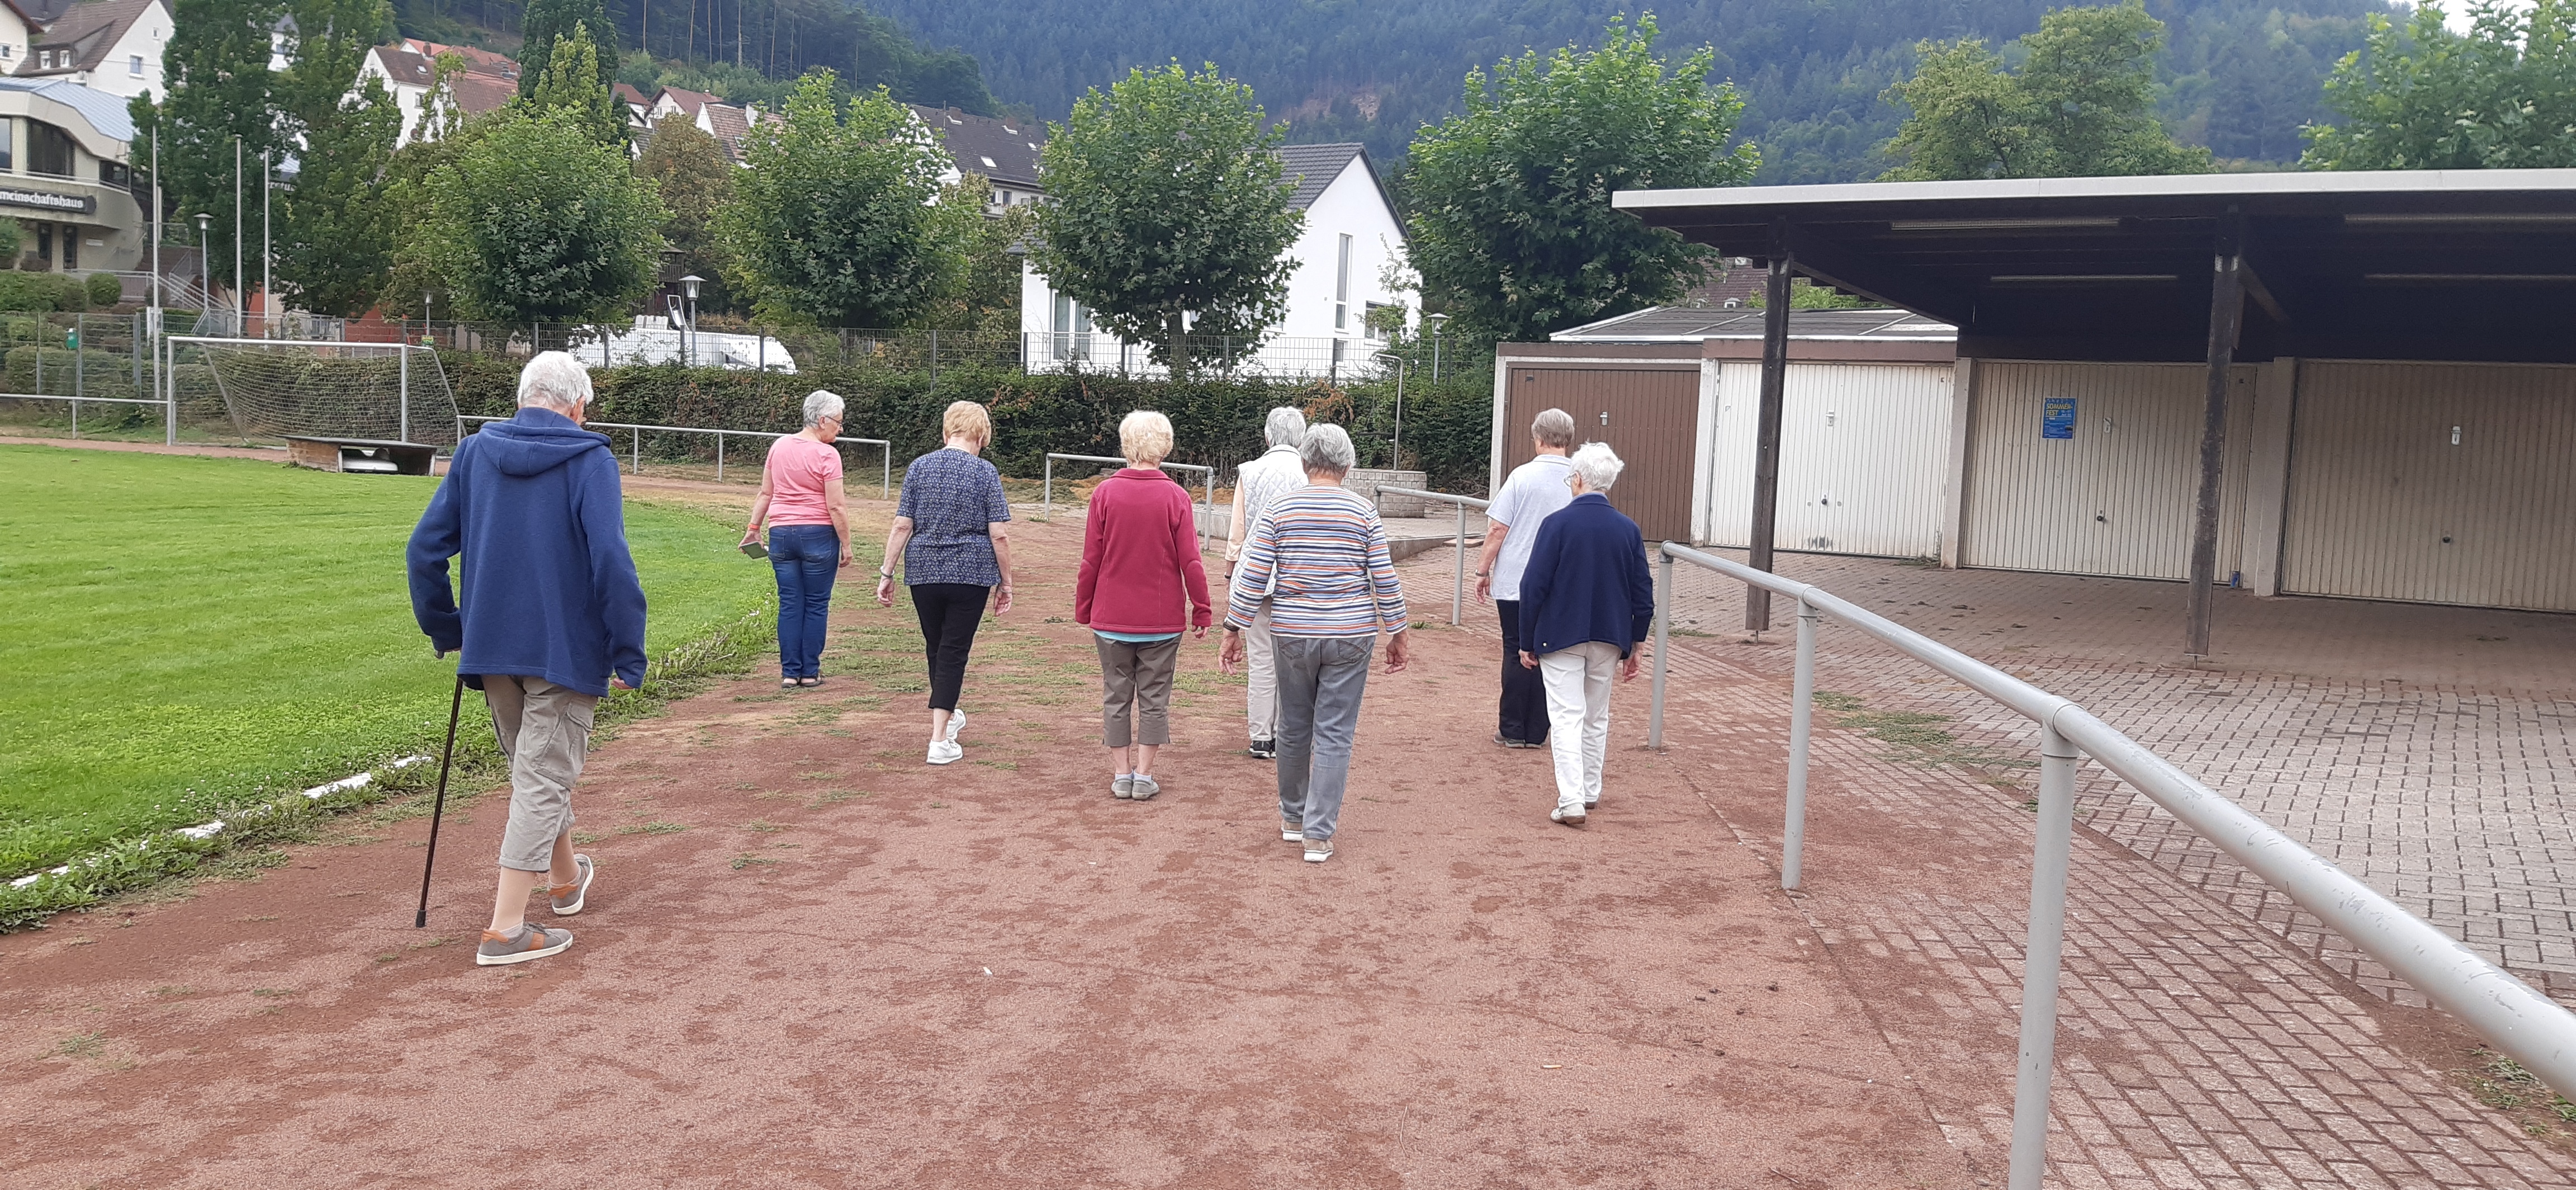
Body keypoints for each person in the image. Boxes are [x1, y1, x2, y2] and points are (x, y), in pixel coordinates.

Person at [407, 351, 646, 967]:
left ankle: (566, 880)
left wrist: (448, 627)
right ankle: (505, 928)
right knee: (541, 777)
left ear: (523, 396)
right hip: (564, 650)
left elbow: (424, 551)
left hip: (492, 649)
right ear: (578, 406)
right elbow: (612, 562)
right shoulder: (591, 457)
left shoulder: (474, 451)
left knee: (536, 771)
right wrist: (628, 649)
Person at [1220, 424, 1410, 863]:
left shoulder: (1280, 510)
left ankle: (1292, 817)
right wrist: (1398, 631)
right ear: (1348, 464)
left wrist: (1234, 626)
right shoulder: (1363, 512)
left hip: (1292, 632)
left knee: (1292, 725)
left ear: (1305, 462)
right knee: (1335, 733)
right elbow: (1385, 576)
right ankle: (1318, 835)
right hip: (1351, 634)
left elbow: (1252, 574)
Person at [1516, 442, 1656, 829]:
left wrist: (1525, 640)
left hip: (1559, 635)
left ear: (1577, 479)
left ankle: (1572, 798)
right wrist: (1637, 643)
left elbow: (1533, 586)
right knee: (1596, 715)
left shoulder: (1556, 524)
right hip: (1610, 636)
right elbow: (1643, 593)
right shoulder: (1629, 530)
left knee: (1565, 717)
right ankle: (1590, 790)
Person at [1076, 410, 1214, 801]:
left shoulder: (1104, 494)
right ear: (1165, 446)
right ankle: (1144, 773)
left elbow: (1092, 558)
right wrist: (1201, 608)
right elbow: (1191, 561)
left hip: (1110, 617)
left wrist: (1085, 607)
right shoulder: (1176, 497)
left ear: (1126, 444)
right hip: (1161, 621)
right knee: (1155, 697)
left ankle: (1122, 774)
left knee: (1116, 694)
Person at [877, 400, 1015, 766]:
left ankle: (949, 717)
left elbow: (902, 525)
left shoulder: (919, 468)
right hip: (970, 573)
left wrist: (887, 572)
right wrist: (1007, 583)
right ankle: (939, 739)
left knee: (937, 647)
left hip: (923, 571)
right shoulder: (986, 473)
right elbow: (998, 535)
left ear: (946, 432)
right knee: (953, 651)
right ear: (982, 436)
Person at [1475, 408, 1579, 750]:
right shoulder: (1579, 479)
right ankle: (1538, 731)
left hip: (1517, 579)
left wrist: (1482, 570)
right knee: (1550, 652)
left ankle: (1512, 728)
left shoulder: (1522, 476)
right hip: (1561, 582)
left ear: (1538, 438)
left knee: (1513, 648)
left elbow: (1497, 528)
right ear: (1568, 439)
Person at [741, 390, 853, 689]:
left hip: (781, 533)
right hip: (818, 534)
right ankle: (810, 672)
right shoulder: (828, 455)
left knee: (790, 603)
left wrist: (754, 527)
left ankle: (790, 672)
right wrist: (847, 543)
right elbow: (836, 506)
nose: (840, 429)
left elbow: (766, 492)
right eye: (838, 423)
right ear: (822, 420)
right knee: (816, 603)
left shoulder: (779, 446)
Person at [1224, 407, 1309, 759]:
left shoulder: (1250, 470)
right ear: (1301, 438)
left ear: (1268, 436)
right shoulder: (1311, 473)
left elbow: (1238, 528)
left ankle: (1261, 738)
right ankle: (1288, 734)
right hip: (1299, 578)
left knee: (1261, 658)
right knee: (1297, 661)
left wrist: (1232, 572)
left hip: (1257, 576)